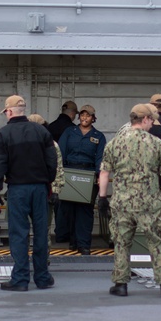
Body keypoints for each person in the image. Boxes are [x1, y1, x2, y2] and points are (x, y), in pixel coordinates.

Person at [98, 103, 161, 298]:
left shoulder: (114, 143)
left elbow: (104, 172)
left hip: (122, 203)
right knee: (158, 241)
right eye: (151, 121)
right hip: (150, 203)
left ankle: (120, 284)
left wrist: (102, 197)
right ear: (144, 119)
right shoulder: (157, 144)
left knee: (121, 242)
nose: (152, 125)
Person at [0, 95, 57, 291]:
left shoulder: (3, 134)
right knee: (41, 233)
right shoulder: (41, 131)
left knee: (19, 233)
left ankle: (20, 279)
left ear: (9, 112)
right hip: (39, 188)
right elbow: (52, 161)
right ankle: (43, 278)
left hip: (18, 189)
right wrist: (48, 181)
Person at [57, 104, 106, 255]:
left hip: (89, 174)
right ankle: (73, 241)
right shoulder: (69, 132)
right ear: (79, 116)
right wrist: (60, 173)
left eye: (88, 115)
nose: (85, 118)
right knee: (69, 209)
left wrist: (98, 176)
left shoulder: (98, 136)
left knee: (85, 211)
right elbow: (61, 152)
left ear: (93, 118)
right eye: (82, 115)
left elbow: (101, 158)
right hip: (70, 172)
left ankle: (84, 244)